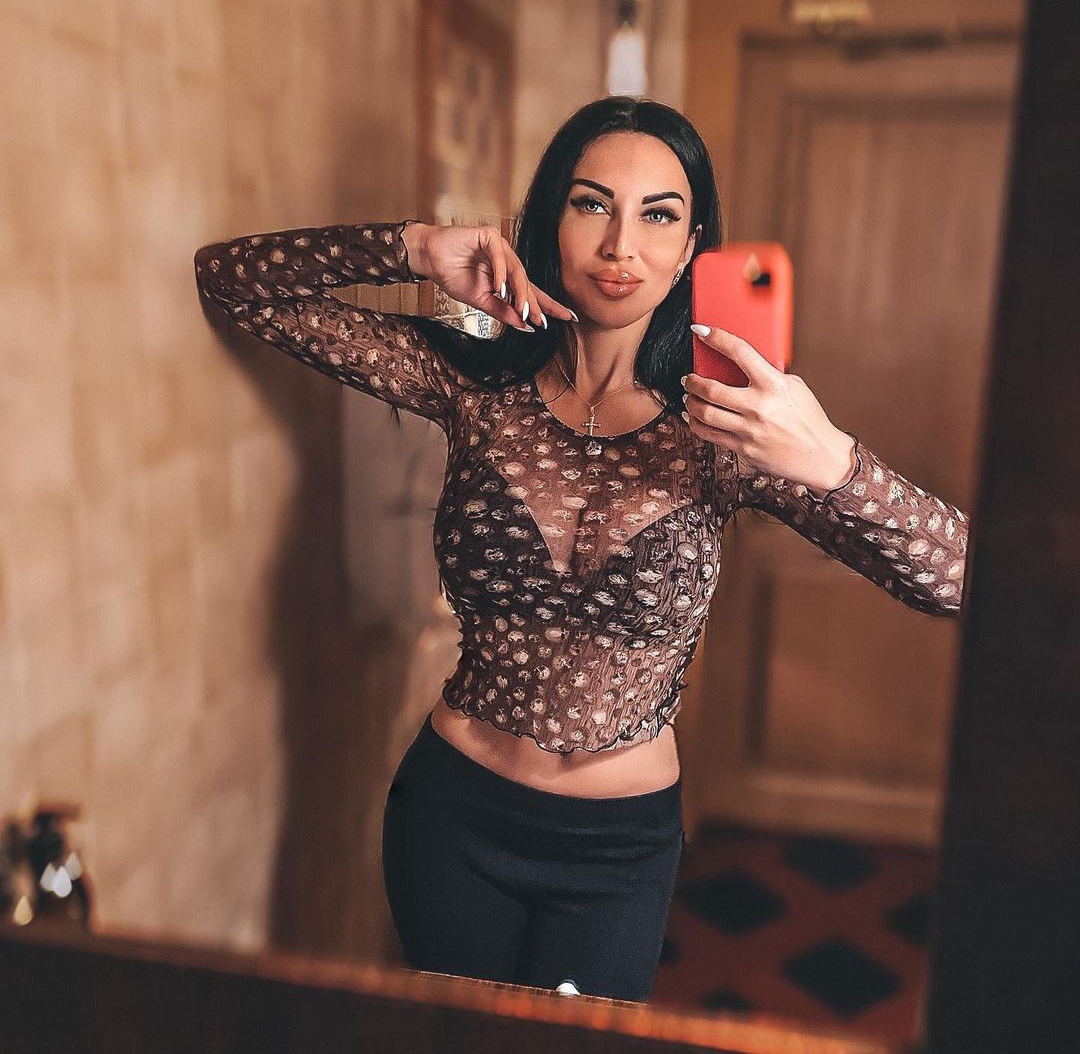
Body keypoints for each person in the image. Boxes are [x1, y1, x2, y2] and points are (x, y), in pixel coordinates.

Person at [193, 96, 969, 1003]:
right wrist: (414, 248)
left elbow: (963, 581)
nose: (619, 246)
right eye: (592, 203)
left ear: (693, 248)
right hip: (451, 812)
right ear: (549, 220)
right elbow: (232, 282)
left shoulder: (730, 434)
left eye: (658, 216)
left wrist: (830, 460)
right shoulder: (471, 384)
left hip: (616, 848)